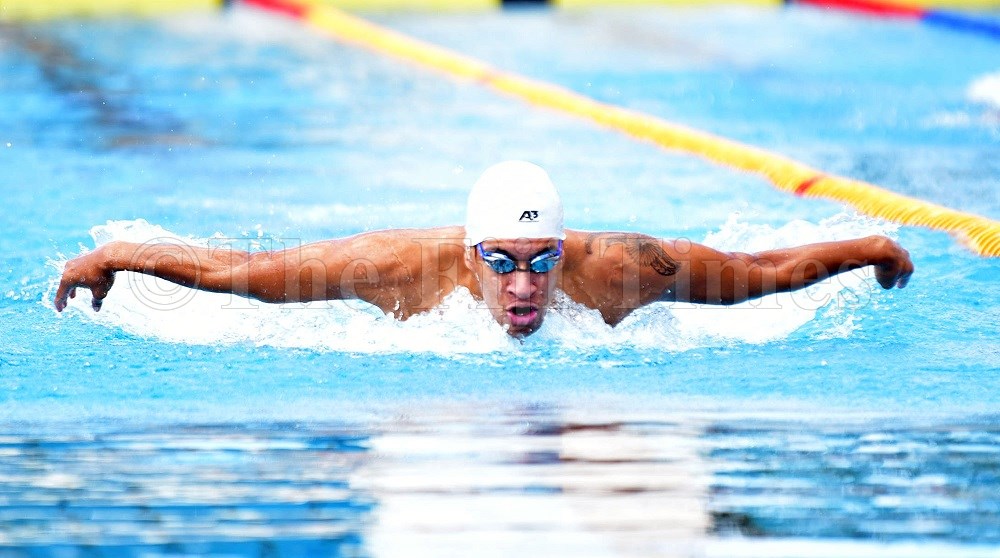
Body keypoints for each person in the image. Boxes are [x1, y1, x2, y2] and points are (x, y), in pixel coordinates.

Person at [54, 160, 913, 338]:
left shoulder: (620, 270)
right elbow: (239, 276)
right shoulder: (390, 270)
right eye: (500, 261)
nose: (524, 282)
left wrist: (870, 244)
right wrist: (126, 253)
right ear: (469, 258)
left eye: (540, 259)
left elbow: (762, 276)